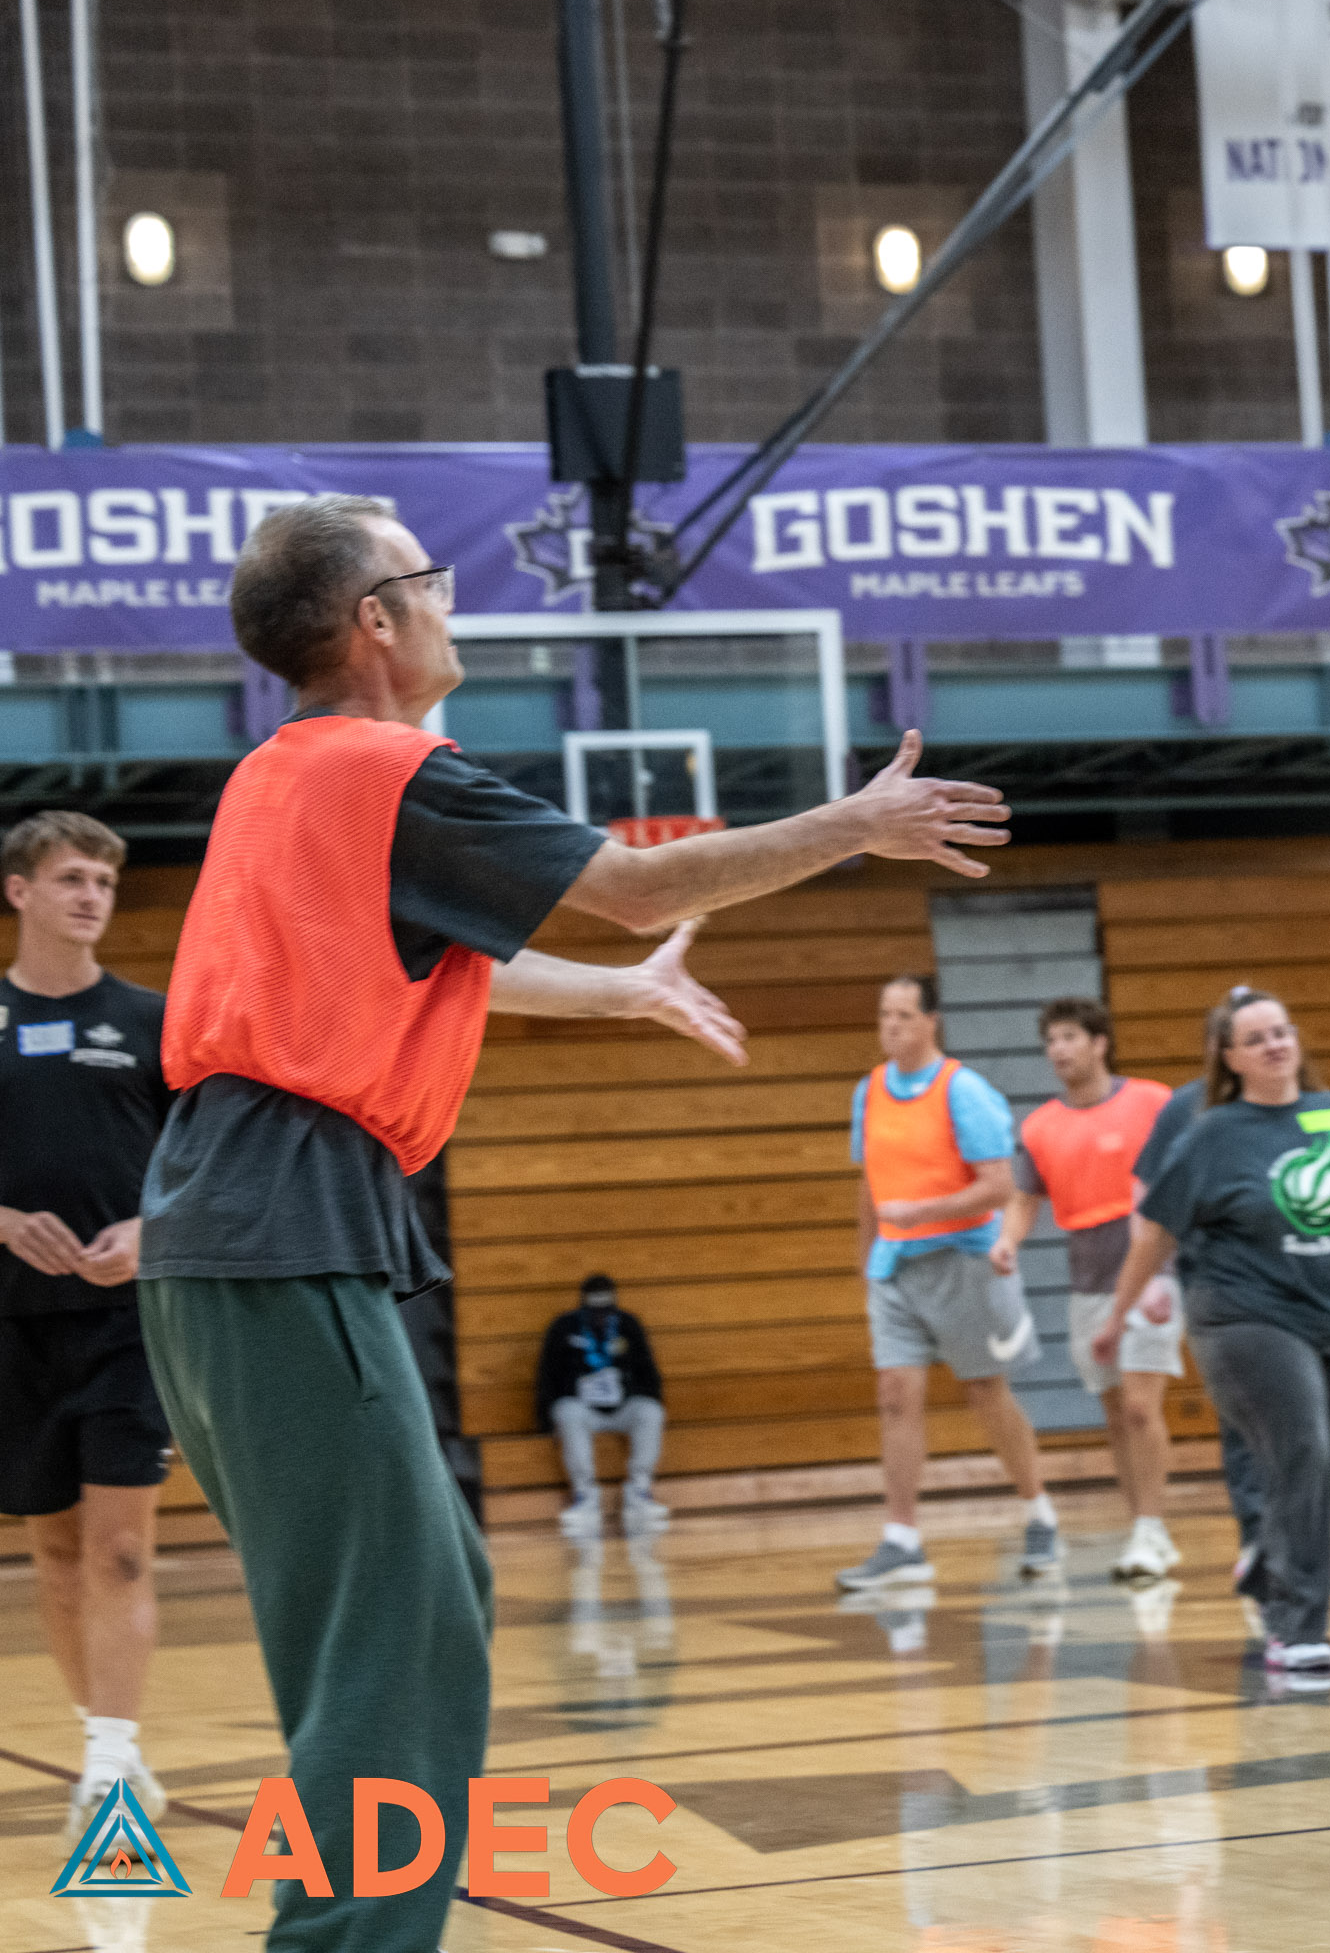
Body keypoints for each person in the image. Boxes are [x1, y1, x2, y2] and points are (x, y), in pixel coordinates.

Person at [135, 494, 1009, 1953]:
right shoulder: (390, 768)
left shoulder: (281, 779)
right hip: (286, 1224)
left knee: (416, 1603)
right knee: (395, 1628)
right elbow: (637, 886)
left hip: (226, 1227)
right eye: (428, 576)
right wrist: (855, 824)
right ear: (375, 621)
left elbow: (430, 962)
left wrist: (622, 992)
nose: (452, 598)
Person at [1091, 986, 1330, 1678]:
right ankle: (1296, 1629)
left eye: (1281, 1031)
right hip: (1245, 1316)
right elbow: (1156, 1230)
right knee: (1302, 1453)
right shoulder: (1212, 1134)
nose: (1275, 1044)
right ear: (1231, 1058)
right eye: (1257, 1038)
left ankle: (1269, 1557)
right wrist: (1120, 1313)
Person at [0, 812, 174, 1841]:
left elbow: (211, 1166)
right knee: (57, 1554)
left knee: (119, 1551)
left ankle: (107, 1769)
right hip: (13, 1327)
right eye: (71, 878)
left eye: (104, 881)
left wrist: (153, 1230)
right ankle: (109, 1747)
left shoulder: (153, 1021)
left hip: (127, 1323)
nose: (92, 896)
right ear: (19, 890)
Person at [836, 973, 1063, 1591]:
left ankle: (1038, 1510)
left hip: (962, 1261)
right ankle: (902, 1539)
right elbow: (870, 1182)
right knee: (895, 1393)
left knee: (984, 1391)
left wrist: (922, 1212)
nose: (891, 1026)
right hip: (895, 1267)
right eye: (884, 1014)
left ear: (931, 1021)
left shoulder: (964, 1090)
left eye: (904, 1015)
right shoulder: (870, 1091)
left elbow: (1000, 1186)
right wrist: (865, 1258)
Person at [992, 996, 1176, 1582]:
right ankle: (1143, 1526)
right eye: (1051, 1040)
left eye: (1070, 1037)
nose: (1058, 1050)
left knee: (1143, 1406)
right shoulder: (1040, 1127)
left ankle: (1150, 1528)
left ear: (1100, 1043)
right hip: (1088, 1280)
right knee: (1117, 1411)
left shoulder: (1152, 1102)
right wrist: (1008, 1242)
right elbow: (1024, 1199)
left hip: (1153, 1273)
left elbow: (1188, 1174)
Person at [1132, 1066, 1269, 1608]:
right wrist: (1154, 1276)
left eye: (1278, 1034)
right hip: (1221, 1286)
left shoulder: (1316, 1107)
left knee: (1310, 1425)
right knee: (1244, 1412)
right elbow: (1149, 1194)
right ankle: (1259, 1540)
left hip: (1309, 1288)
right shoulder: (1186, 1110)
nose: (1268, 1049)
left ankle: (1288, 1535)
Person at [536, 1272, 667, 1535]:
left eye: (605, 1311)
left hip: (623, 1406)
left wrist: (637, 1391)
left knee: (651, 1411)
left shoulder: (628, 1325)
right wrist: (544, 1420)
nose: (600, 1317)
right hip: (583, 1408)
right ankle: (584, 1495)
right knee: (567, 1412)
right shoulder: (563, 1328)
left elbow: (649, 1374)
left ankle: (639, 1491)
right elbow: (547, 1375)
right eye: (594, 1311)